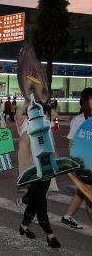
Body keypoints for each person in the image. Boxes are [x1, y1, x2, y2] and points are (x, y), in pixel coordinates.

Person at [15, 100, 61, 248]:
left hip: (47, 171)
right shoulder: (26, 130)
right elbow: (22, 159)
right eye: (44, 116)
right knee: (41, 204)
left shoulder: (46, 128)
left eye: (47, 117)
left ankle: (24, 226)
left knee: (34, 203)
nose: (47, 119)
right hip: (34, 174)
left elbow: (55, 115)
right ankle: (50, 235)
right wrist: (29, 104)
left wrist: (47, 107)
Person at [61, 87, 92, 228]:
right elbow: (70, 143)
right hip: (84, 164)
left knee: (83, 191)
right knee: (89, 196)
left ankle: (67, 216)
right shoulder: (79, 120)